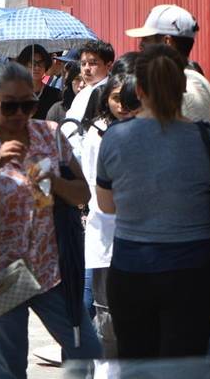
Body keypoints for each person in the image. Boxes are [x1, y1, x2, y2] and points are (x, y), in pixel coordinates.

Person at [96, 44, 210, 359]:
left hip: (131, 270)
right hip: (194, 273)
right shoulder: (208, 138)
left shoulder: (114, 139)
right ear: (182, 87)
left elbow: (107, 205)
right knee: (185, 364)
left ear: (138, 88)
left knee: (137, 365)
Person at [0, 62, 102, 378]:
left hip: (50, 268)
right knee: (10, 367)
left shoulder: (49, 134)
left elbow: (83, 195)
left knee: (86, 348)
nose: (21, 113)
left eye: (29, 103)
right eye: (10, 106)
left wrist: (55, 181)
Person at [81, 73, 137, 357]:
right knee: (107, 316)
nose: (124, 104)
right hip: (106, 236)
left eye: (130, 97)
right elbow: (95, 192)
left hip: (143, 239)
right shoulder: (98, 133)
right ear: (106, 100)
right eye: (117, 98)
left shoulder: (146, 128)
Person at [126, 4, 210, 123]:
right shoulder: (189, 80)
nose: (140, 45)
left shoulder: (189, 88)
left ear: (167, 42)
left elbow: (184, 138)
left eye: (146, 39)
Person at [65, 41, 114, 128]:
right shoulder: (83, 93)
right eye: (83, 64)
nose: (86, 68)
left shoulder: (111, 94)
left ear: (108, 65)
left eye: (93, 63)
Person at [14, 44, 62, 121]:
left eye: (41, 63)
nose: (37, 67)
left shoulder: (56, 95)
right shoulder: (14, 94)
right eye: (32, 63)